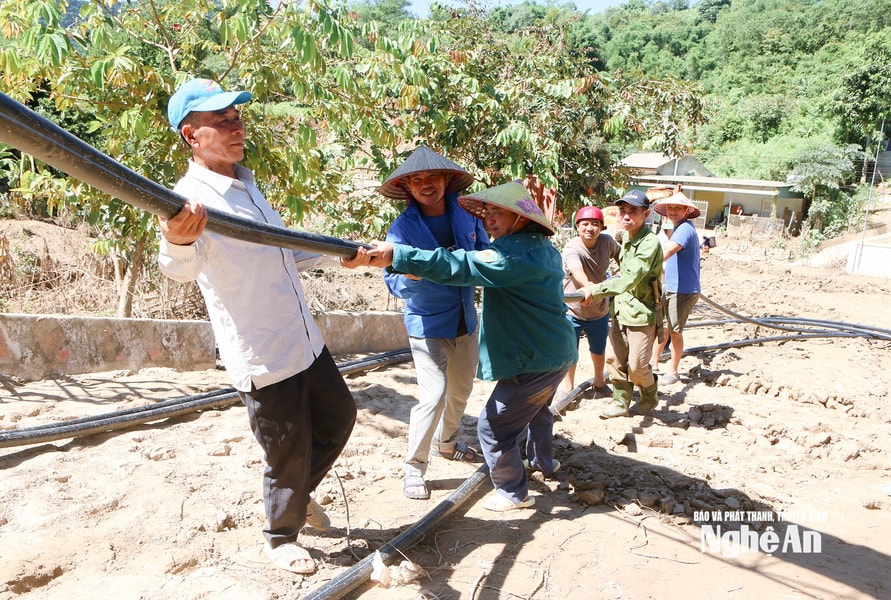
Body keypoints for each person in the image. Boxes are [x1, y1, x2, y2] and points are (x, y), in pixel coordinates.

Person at [157, 78, 363, 575]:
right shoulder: (188, 199)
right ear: (192, 135)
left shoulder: (245, 185)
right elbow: (179, 268)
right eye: (220, 121)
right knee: (286, 450)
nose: (235, 127)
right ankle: (280, 536)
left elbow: (283, 248)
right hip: (264, 352)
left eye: (236, 117)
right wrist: (178, 240)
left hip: (303, 338)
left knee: (339, 419)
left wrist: (346, 254)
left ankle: (296, 499)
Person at [365, 181, 577, 511]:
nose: (489, 220)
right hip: (550, 350)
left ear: (522, 218)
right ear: (407, 187)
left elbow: (464, 264)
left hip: (530, 357)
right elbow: (408, 280)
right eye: (488, 213)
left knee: (491, 428)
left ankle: (513, 492)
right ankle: (543, 463)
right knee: (535, 410)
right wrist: (403, 267)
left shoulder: (511, 255)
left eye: (499, 213)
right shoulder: (541, 247)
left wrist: (399, 255)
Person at [377, 145, 489, 501]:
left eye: (432, 177)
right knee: (434, 395)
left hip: (465, 320)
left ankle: (447, 442)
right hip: (427, 324)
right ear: (408, 188)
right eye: (417, 180)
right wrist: (412, 276)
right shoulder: (402, 229)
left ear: (446, 181)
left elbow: (486, 253)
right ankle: (414, 467)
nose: (426, 184)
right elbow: (393, 281)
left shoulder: (466, 213)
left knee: (461, 392)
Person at [581, 189, 663, 419]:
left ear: (645, 215)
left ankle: (649, 395)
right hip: (620, 309)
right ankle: (620, 402)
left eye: (633, 212)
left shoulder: (649, 243)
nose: (626, 216)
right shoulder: (626, 237)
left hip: (641, 313)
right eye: (623, 211)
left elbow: (629, 279)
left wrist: (595, 290)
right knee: (616, 360)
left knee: (637, 367)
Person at [558, 205, 620, 399]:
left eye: (595, 224)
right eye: (585, 224)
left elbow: (623, 256)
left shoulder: (607, 242)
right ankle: (569, 388)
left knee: (598, 348)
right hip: (573, 309)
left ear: (601, 227)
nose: (590, 228)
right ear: (577, 226)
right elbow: (576, 270)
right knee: (570, 352)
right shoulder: (572, 247)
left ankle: (599, 382)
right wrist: (588, 287)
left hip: (599, 309)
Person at [651, 191, 702, 386]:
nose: (672, 211)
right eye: (670, 208)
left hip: (683, 290)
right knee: (663, 328)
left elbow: (667, 252)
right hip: (672, 287)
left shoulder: (684, 229)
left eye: (677, 208)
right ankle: (653, 364)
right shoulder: (681, 228)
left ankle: (673, 371)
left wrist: (642, 267)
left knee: (674, 331)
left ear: (686, 210)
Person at [649, 218, 675, 372]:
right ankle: (653, 358)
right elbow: (661, 266)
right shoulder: (660, 242)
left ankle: (655, 358)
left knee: (664, 326)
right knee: (658, 324)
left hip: (669, 287)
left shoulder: (672, 241)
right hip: (658, 287)